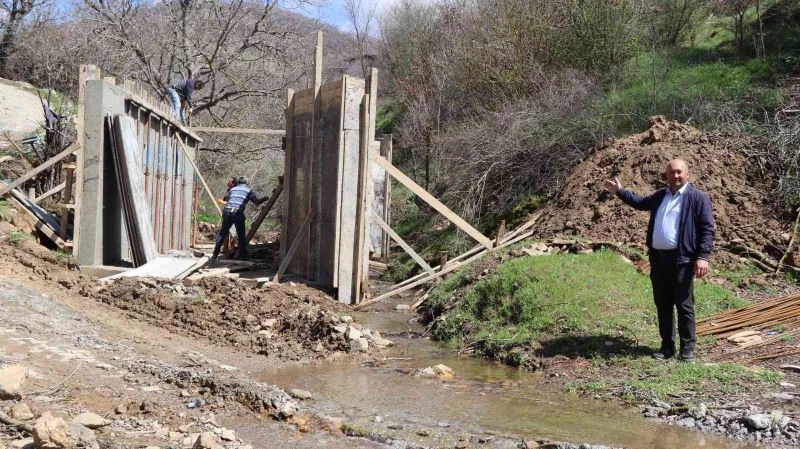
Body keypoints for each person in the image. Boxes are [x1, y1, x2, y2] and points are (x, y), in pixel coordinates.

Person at [603, 159, 715, 363]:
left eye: (680, 172)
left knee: (684, 305)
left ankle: (688, 349)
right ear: (667, 175)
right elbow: (640, 203)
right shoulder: (660, 195)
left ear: (688, 174)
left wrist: (702, 257)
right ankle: (667, 347)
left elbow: (707, 229)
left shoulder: (698, 198)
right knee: (663, 304)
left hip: (682, 260)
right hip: (658, 260)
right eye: (672, 173)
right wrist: (620, 191)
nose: (676, 176)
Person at [211, 177, 265, 263]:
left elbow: (228, 200)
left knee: (222, 233)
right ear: (246, 183)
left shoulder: (232, 189)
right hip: (237, 213)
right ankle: (242, 257)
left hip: (227, 212)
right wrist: (265, 198)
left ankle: (214, 255)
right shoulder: (248, 190)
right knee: (241, 236)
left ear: (238, 183)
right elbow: (257, 202)